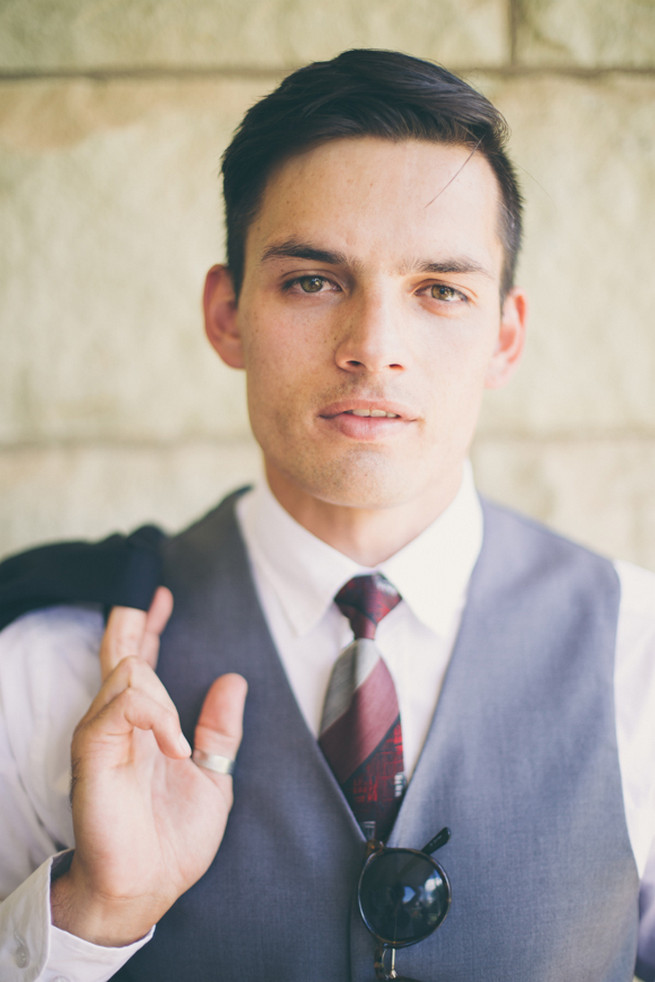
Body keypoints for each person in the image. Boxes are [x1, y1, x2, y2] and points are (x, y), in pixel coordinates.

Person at [1, 48, 654, 982]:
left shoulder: (641, 656)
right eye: (313, 280)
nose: (374, 349)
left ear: (503, 338)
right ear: (226, 314)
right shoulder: (50, 667)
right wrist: (94, 914)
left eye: (439, 291)